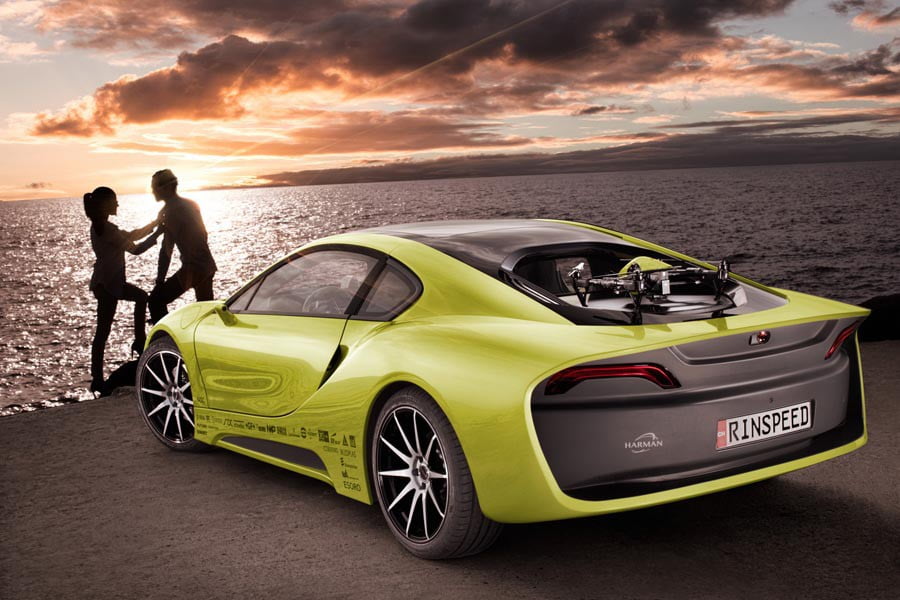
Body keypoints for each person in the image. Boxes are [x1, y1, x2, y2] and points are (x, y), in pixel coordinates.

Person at [84, 186, 162, 394]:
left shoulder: (102, 227)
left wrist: (154, 224)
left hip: (108, 283)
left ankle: (137, 341)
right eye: (114, 201)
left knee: (139, 299)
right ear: (106, 205)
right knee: (103, 331)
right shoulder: (107, 229)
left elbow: (130, 235)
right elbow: (135, 249)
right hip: (108, 284)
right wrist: (157, 233)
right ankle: (98, 378)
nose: (117, 204)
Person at [148, 169, 217, 323]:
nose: (153, 191)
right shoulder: (191, 204)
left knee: (155, 302)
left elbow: (166, 251)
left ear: (165, 188)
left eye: (154, 187)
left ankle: (165, 336)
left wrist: (159, 282)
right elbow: (203, 234)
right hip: (207, 265)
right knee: (206, 315)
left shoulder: (170, 212)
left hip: (193, 268)